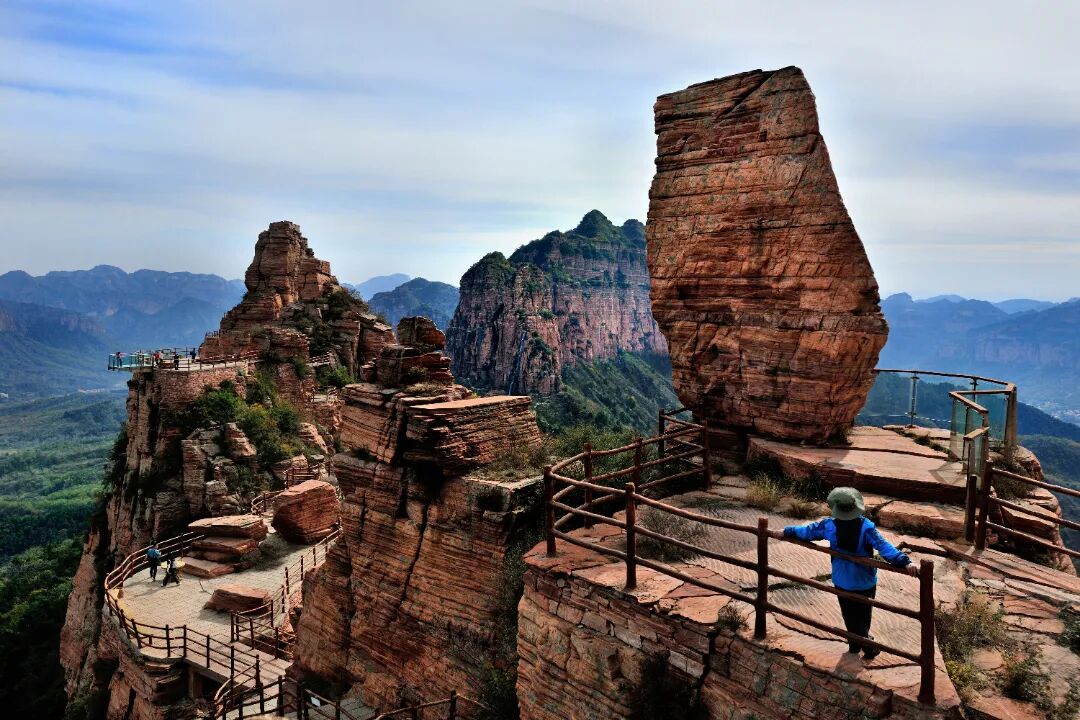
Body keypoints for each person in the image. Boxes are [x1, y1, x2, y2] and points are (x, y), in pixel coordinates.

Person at [782, 487, 918, 660]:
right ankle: (869, 647)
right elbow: (884, 547)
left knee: (849, 614)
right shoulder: (866, 528)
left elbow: (807, 532)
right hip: (865, 580)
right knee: (863, 614)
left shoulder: (829, 525)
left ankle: (855, 644)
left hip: (842, 579)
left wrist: (786, 531)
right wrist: (905, 561)